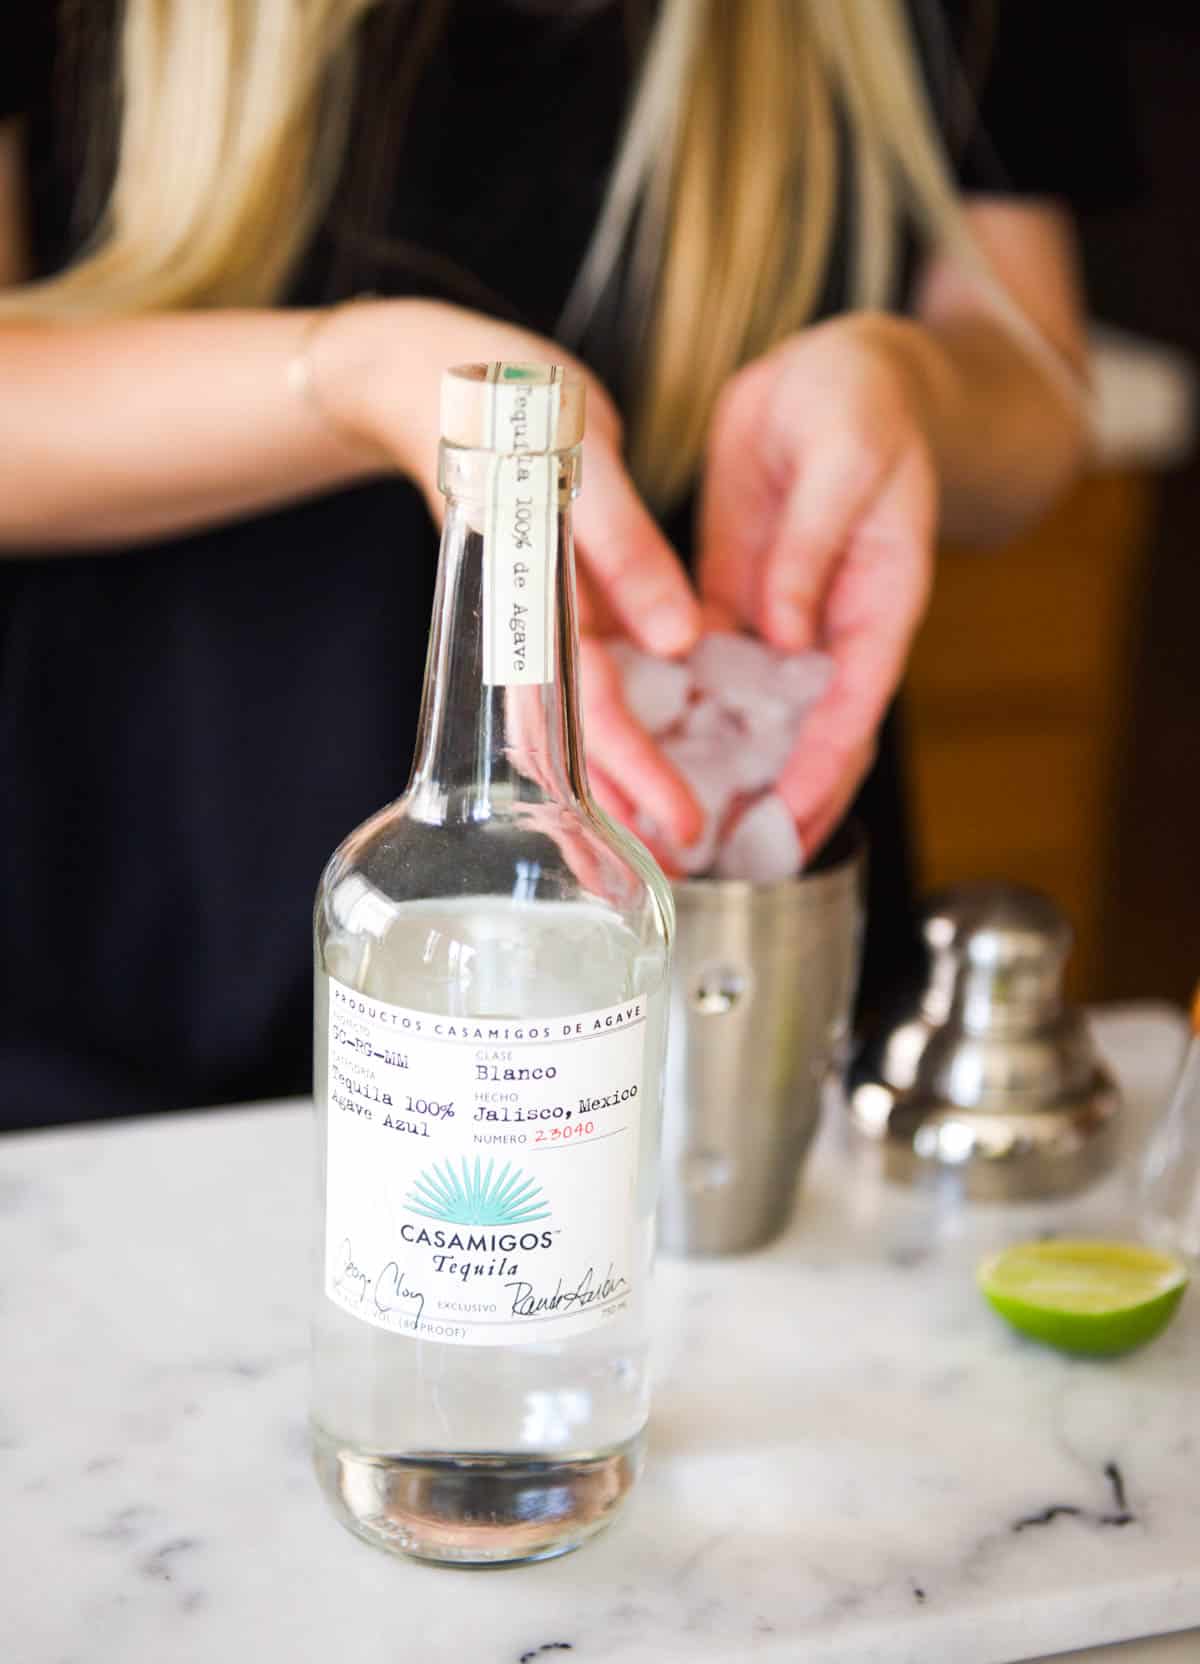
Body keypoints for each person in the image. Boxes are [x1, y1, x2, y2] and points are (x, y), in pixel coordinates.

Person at [0, 2, 1130, 1129]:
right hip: (149, 970)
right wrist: (351, 377)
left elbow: (1033, 390)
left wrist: (911, 386)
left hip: (724, 960)